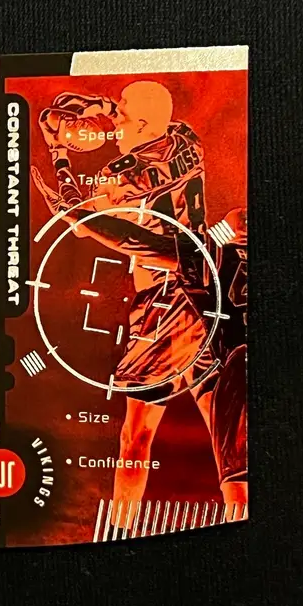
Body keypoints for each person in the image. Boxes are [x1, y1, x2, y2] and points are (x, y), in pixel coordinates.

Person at [33, 81, 221, 522]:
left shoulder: (123, 176)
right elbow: (153, 130)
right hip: (208, 289)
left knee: (135, 437)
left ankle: (122, 531)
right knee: (225, 430)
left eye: (120, 114)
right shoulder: (187, 139)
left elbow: (80, 221)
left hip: (165, 304)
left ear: (142, 123)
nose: (112, 121)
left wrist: (60, 155)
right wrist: (100, 106)